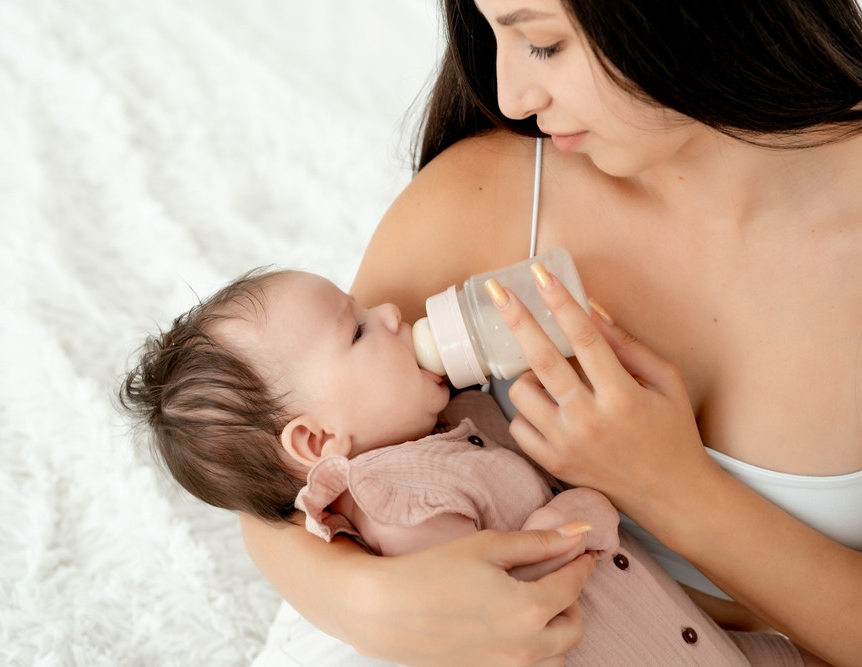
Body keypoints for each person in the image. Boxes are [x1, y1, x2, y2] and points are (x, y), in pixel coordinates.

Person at [240, 0, 862, 665]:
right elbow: (278, 463)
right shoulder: (487, 194)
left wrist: (678, 493)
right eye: (493, 34)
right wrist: (362, 599)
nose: (510, 95)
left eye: (543, 43)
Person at [120, 267, 811, 665]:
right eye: (357, 329)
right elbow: (498, 600)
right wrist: (590, 502)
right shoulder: (393, 498)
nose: (391, 311)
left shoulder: (455, 420)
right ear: (316, 440)